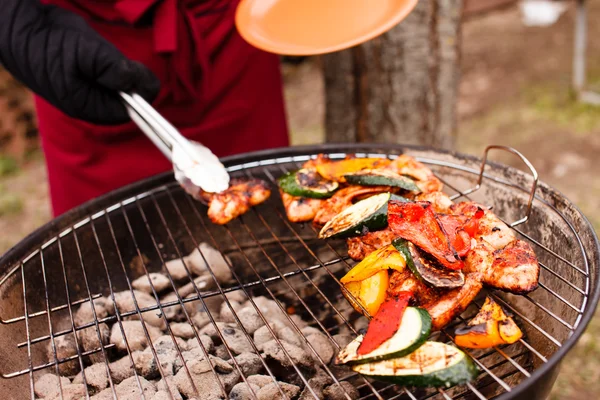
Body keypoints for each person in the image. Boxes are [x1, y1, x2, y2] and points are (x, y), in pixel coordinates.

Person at [0, 0, 290, 217]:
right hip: (80, 46)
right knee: (100, 261)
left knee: (271, 220)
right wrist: (15, 21)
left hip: (226, 33)